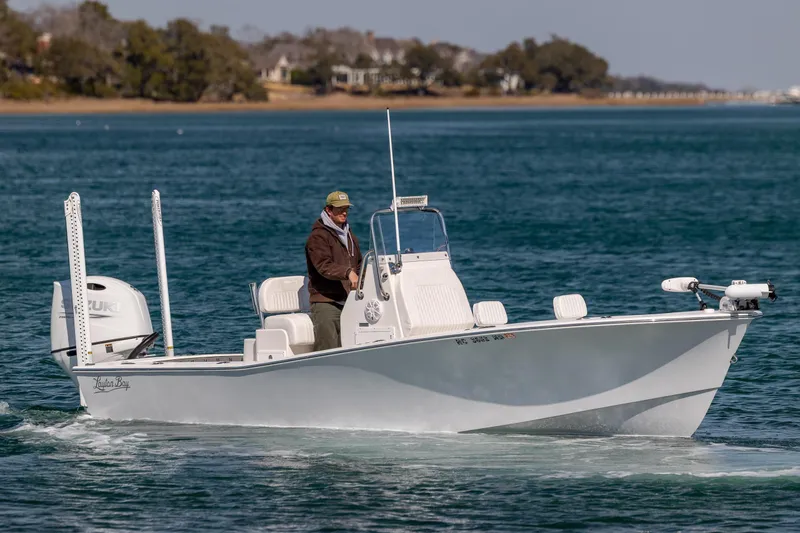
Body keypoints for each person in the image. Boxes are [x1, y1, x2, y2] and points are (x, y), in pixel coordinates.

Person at [305, 191, 363, 351]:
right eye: (339, 208)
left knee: (354, 345)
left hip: (348, 300)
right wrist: (348, 273)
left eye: (346, 208)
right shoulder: (318, 237)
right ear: (328, 210)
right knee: (328, 349)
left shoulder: (349, 235)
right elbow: (324, 265)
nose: (344, 212)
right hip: (325, 301)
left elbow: (359, 263)